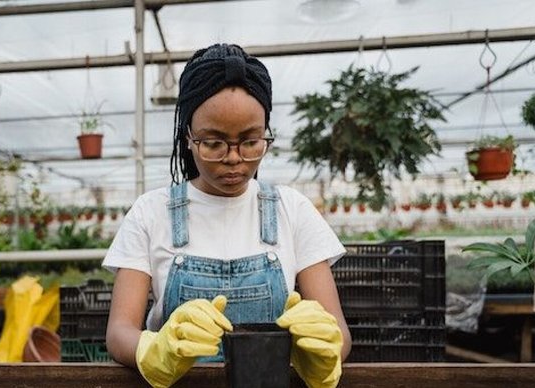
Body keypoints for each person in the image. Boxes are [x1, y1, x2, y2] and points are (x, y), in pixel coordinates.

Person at [103, 43, 351, 388]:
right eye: (214, 143)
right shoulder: (151, 212)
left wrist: (323, 350)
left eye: (250, 141)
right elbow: (119, 332)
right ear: (187, 136)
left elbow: (339, 333)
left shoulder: (291, 210)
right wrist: (154, 349)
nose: (234, 158)